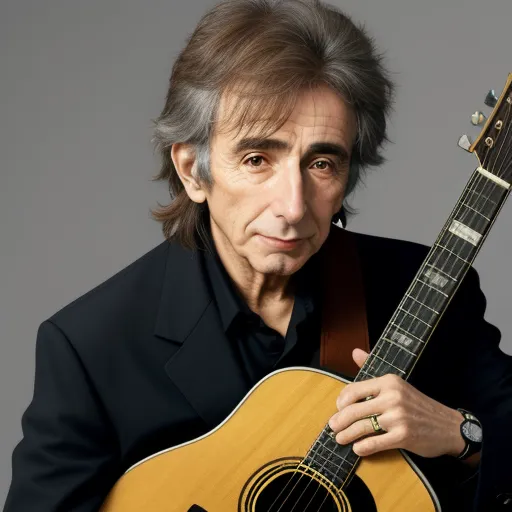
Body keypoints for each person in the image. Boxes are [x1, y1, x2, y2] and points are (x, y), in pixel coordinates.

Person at [4, 0, 512, 510]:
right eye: (256, 159)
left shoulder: (426, 289)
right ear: (192, 170)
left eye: (321, 163)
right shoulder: (92, 348)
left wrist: (461, 434)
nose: (292, 207)